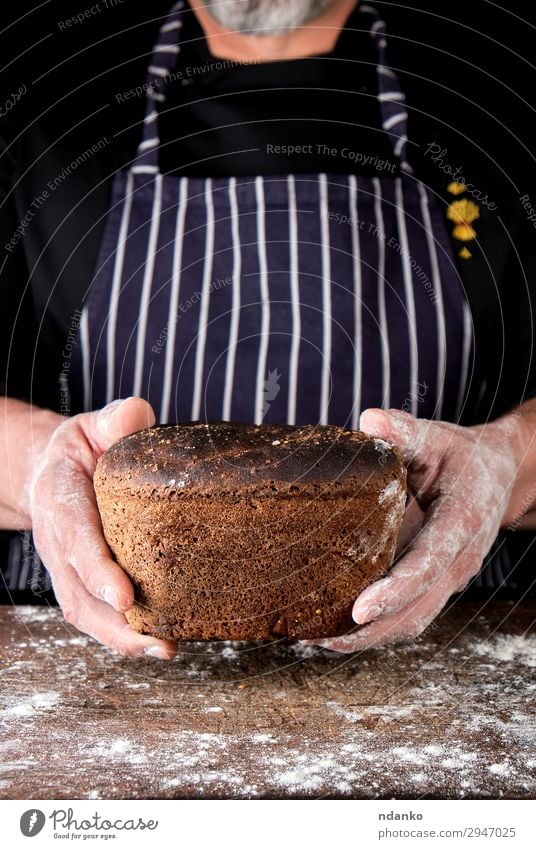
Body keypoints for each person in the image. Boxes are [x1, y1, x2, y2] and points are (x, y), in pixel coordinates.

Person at [1, 0, 535, 658]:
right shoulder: (43, 96)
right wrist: (34, 464)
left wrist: (510, 461)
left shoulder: (503, 93)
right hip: (88, 672)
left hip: (455, 655)